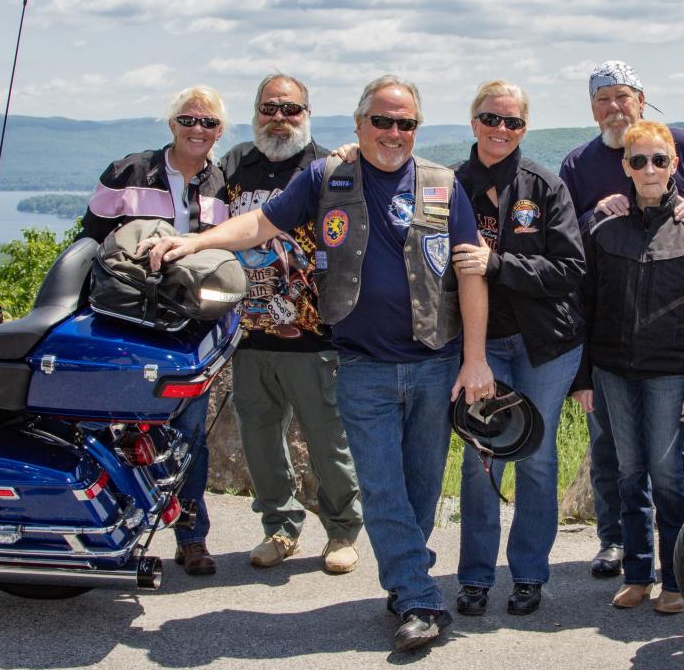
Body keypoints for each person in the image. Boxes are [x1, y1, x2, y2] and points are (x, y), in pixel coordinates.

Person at [141, 75, 494, 654]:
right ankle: (418, 595)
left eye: (406, 123)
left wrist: (475, 359)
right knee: (382, 487)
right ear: (358, 124)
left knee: (422, 489)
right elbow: (262, 224)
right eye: (382, 121)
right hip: (362, 366)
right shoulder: (328, 176)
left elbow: (470, 272)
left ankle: (407, 578)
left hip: (435, 363)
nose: (393, 133)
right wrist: (199, 243)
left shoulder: (441, 184)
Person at [557, 60, 684, 578]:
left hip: (669, 346)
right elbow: (568, 239)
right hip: (611, 341)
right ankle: (617, 545)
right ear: (592, 109)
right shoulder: (578, 162)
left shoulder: (681, 143)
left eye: (622, 96)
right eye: (602, 98)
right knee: (613, 453)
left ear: (642, 99)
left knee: (676, 458)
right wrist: (597, 214)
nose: (614, 106)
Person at [81, 85, 230, 575]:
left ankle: (192, 537)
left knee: (188, 435)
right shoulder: (128, 171)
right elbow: (88, 242)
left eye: (208, 123)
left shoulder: (219, 183)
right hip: (123, 324)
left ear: (219, 132)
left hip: (187, 329)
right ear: (172, 124)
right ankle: (109, 531)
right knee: (112, 428)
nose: (197, 130)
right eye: (188, 120)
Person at [218, 74, 363, 573]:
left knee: (327, 438)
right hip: (247, 332)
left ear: (308, 113)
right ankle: (279, 528)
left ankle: (343, 531)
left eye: (290, 109)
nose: (279, 119)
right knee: (260, 437)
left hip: (314, 332)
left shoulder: (330, 166)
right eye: (269, 108)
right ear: (256, 112)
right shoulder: (233, 165)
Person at [451, 80, 585, 618]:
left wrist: (498, 263)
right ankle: (476, 578)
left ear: (524, 128)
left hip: (544, 346)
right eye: (490, 118)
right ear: (473, 121)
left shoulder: (544, 187)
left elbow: (571, 269)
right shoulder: (450, 185)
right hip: (479, 347)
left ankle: (529, 574)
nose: (500, 130)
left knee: (537, 457)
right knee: (480, 460)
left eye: (512, 122)